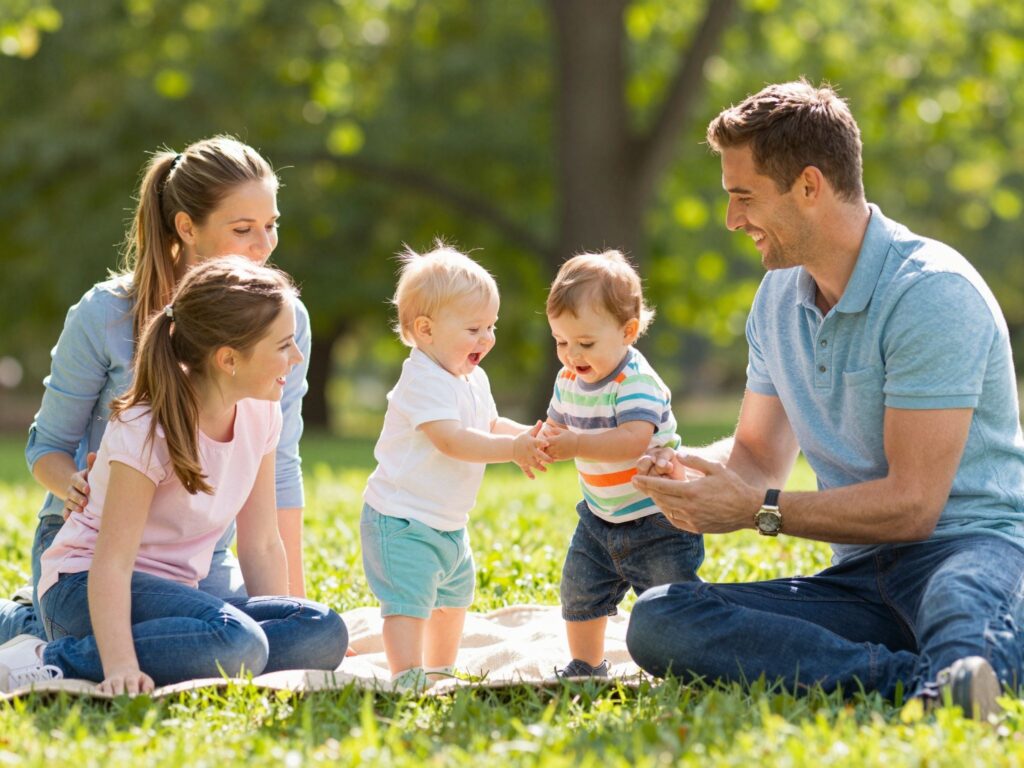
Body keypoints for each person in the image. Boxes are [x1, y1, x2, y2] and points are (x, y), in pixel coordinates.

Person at [625, 80, 1024, 720]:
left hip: (969, 549)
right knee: (662, 618)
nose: (732, 220)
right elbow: (757, 454)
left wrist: (758, 511)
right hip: (860, 580)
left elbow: (914, 508)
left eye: (743, 196)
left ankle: (950, 672)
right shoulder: (778, 298)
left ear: (809, 187)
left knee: (959, 604)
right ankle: (925, 683)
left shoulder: (932, 295)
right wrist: (688, 469)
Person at [0, 136, 312, 643]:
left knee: (240, 638)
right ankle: (26, 620)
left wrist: (293, 606)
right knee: (208, 639)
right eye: (243, 229)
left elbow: (280, 467)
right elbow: (46, 448)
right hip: (98, 544)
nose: (265, 246)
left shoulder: (284, 318)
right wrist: (75, 486)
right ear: (186, 227)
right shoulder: (105, 313)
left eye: (272, 225)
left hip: (196, 552)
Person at [0, 258, 346, 695]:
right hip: (85, 587)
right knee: (236, 643)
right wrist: (121, 665)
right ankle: (46, 660)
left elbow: (260, 543)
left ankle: (232, 650)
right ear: (228, 359)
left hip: (179, 595)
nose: (296, 358)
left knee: (322, 628)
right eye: (282, 346)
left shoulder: (263, 413)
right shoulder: (146, 425)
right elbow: (112, 563)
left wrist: (276, 626)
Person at [361, 243, 551, 691]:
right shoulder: (422, 380)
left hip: (447, 522)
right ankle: (407, 676)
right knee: (408, 605)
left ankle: (440, 673)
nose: (487, 339)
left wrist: (529, 436)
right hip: (401, 519)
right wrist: (512, 451)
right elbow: (451, 440)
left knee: (452, 602)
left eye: (491, 326)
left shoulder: (472, 377)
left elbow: (488, 424)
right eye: (473, 328)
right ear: (425, 330)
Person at [541, 251, 704, 679]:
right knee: (578, 593)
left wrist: (576, 443)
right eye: (560, 341)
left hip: (657, 522)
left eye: (586, 343)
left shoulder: (635, 381)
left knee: (671, 602)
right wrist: (539, 444)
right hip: (599, 517)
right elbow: (556, 427)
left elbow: (633, 440)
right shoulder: (567, 380)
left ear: (627, 332)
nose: (571, 354)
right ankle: (586, 665)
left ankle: (693, 659)